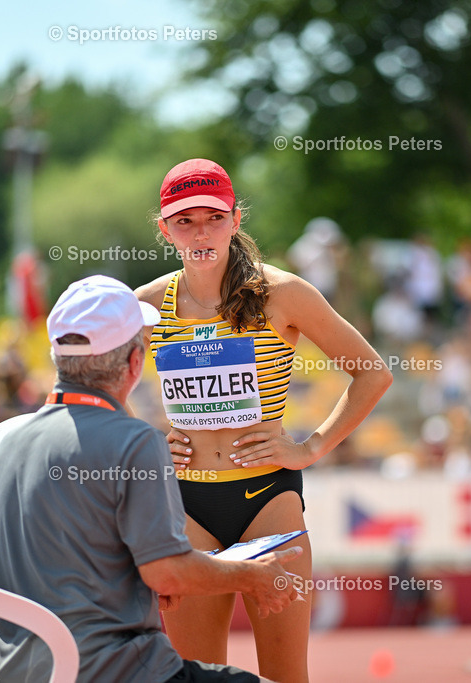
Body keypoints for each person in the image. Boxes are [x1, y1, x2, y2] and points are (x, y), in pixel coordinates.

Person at [137, 159, 393, 683]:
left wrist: (311, 447)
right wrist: (145, 442)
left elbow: (372, 374)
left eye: (213, 217)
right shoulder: (142, 306)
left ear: (235, 218)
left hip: (267, 504)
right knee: (195, 677)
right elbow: (82, 378)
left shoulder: (284, 294)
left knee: (284, 678)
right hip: (186, 507)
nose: (201, 231)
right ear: (164, 229)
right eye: (185, 221)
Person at [0, 275, 303, 682]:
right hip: (118, 671)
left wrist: (147, 577)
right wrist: (254, 577)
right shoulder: (134, 442)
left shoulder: (10, 443)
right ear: (134, 363)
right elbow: (168, 573)